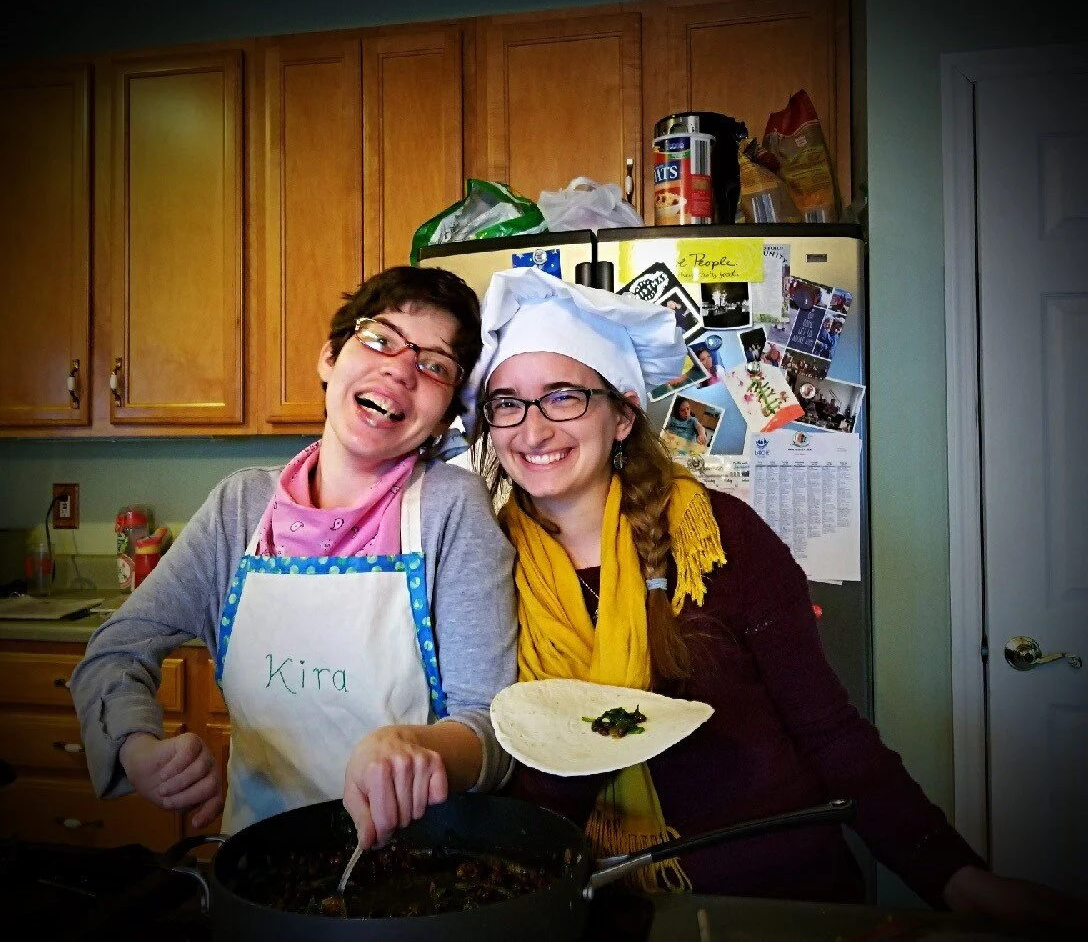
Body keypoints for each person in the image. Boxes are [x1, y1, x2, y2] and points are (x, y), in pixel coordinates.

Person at [463, 265, 1085, 928]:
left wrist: (957, 877)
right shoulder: (481, 567)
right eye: (508, 402)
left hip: (778, 897)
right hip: (602, 909)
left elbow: (832, 734)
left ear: (620, 415)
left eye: (563, 396)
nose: (532, 429)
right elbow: (502, 774)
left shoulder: (720, 538)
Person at [70, 266, 518, 847]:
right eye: (380, 338)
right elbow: (116, 648)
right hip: (260, 864)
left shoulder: (451, 511)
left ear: (445, 412)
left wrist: (425, 748)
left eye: (434, 365)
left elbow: (494, 730)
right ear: (330, 358)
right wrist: (138, 748)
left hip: (420, 869)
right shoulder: (240, 510)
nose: (401, 368)